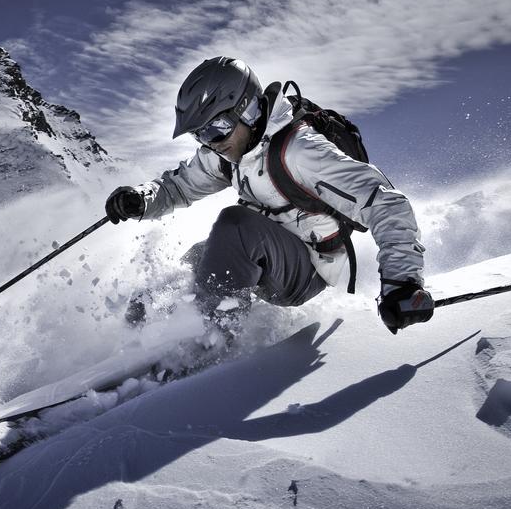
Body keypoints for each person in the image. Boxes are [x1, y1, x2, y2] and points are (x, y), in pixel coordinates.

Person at [105, 57, 433, 339]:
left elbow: (386, 203)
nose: (211, 142)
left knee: (234, 226)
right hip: (270, 255)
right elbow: (179, 186)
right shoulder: (226, 152)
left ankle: (209, 342)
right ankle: (131, 341)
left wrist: (401, 282)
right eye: (201, 134)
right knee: (192, 261)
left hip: (309, 270)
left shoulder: (301, 151)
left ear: (246, 109)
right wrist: (142, 199)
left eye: (217, 128)